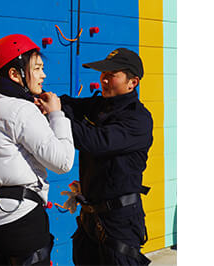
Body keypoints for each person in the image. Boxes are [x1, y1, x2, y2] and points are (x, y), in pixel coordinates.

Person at [0, 34, 75, 266]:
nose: (44, 75)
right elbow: (63, 162)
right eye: (37, 68)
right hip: (21, 220)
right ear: (14, 74)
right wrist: (56, 115)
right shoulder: (22, 111)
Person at [60, 48, 154, 266]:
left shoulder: (138, 119)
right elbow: (66, 104)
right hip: (90, 219)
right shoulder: (99, 105)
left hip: (120, 222)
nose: (104, 79)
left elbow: (96, 141)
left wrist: (55, 116)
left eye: (112, 74)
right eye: (103, 73)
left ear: (133, 82)